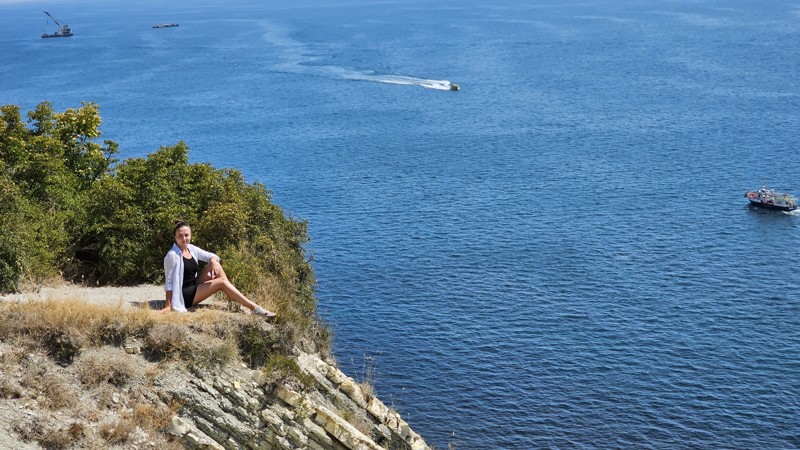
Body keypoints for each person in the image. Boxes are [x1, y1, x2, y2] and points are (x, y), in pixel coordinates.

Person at [160, 220, 276, 318]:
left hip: (193, 285)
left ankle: (232, 296)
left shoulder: (191, 249)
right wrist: (168, 305)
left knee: (216, 265)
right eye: (180, 236)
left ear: (191, 235)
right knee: (222, 282)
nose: (184, 238)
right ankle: (254, 308)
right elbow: (169, 283)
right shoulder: (172, 255)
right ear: (175, 237)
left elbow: (211, 255)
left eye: (186, 235)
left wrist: (213, 262)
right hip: (183, 295)